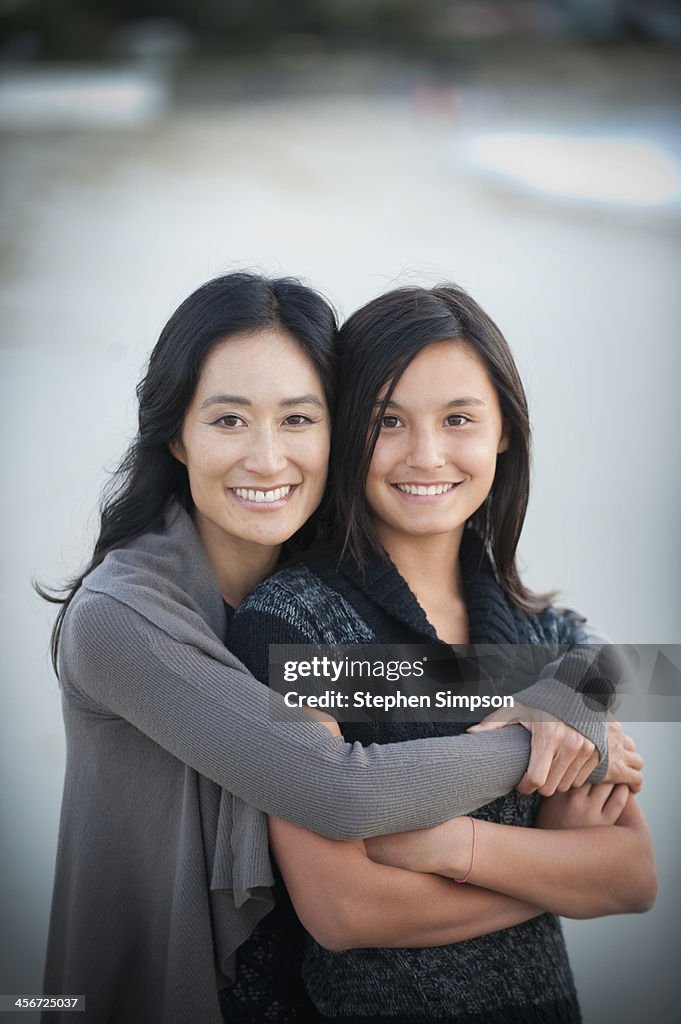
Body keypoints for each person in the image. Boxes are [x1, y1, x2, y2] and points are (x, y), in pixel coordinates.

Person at [41, 272, 638, 1024]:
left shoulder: (320, 580)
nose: (266, 459)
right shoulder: (123, 618)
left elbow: (631, 870)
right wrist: (544, 746)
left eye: (298, 419)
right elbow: (339, 795)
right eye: (228, 420)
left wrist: (577, 690)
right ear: (175, 434)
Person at [228, 283, 656, 1023]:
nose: (425, 454)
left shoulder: (549, 641)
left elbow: (629, 877)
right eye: (387, 420)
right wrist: (549, 876)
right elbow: (344, 910)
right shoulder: (290, 623)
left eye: (458, 418)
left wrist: (445, 846)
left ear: (502, 432)